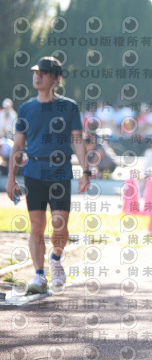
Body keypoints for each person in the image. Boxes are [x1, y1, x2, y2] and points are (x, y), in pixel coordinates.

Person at [6, 56, 90, 294]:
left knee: (59, 224)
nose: (37, 76)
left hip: (61, 171)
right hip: (34, 172)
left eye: (43, 72)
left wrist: (86, 171)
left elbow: (77, 141)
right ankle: (39, 275)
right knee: (36, 226)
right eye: (36, 72)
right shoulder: (26, 108)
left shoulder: (69, 107)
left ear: (56, 79)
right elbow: (18, 145)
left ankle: (56, 259)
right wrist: (11, 179)